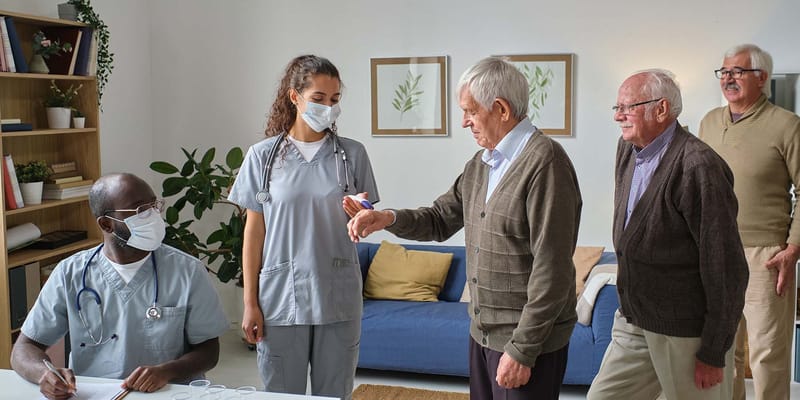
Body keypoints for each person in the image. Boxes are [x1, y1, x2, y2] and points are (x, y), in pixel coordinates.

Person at [345, 56, 581, 400]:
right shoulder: (482, 164)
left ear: (500, 108)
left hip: (525, 344)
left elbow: (553, 269)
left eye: (470, 111)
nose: (465, 121)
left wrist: (522, 349)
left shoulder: (546, 163)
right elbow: (440, 218)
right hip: (483, 336)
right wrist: (387, 219)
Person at [586, 70, 748, 400]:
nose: (618, 116)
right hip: (634, 319)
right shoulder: (627, 148)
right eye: (616, 107)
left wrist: (714, 350)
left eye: (628, 107)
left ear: (661, 110)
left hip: (685, 330)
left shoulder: (698, 166)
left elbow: (726, 267)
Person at [227, 55, 379, 400]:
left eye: (335, 100)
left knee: (334, 394)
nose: (328, 107)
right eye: (319, 99)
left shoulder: (352, 155)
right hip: (281, 298)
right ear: (295, 97)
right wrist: (249, 302)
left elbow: (364, 223)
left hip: (336, 295)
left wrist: (362, 218)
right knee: (282, 394)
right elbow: (253, 235)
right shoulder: (262, 158)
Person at [10, 173, 229, 400]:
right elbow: (24, 349)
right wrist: (44, 374)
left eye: (154, 205)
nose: (152, 215)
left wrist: (168, 371)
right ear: (106, 224)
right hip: (94, 395)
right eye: (139, 210)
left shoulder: (187, 271)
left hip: (168, 394)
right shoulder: (70, 273)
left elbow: (209, 351)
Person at [698, 44, 800, 400]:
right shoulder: (709, 122)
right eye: (724, 71)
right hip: (715, 251)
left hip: (766, 255)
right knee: (723, 350)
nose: (728, 78)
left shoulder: (787, 125)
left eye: (737, 72)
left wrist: (792, 250)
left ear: (762, 78)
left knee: (767, 352)